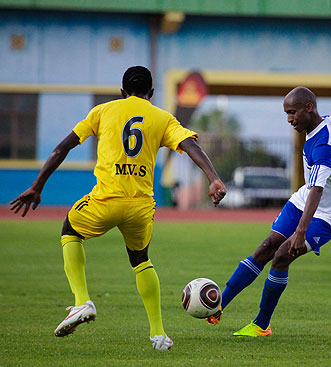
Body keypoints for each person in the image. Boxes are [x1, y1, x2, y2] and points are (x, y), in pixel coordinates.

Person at [10, 66, 226, 350]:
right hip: (140, 207)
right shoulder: (162, 118)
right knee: (140, 260)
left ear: (122, 92)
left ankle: (80, 302)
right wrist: (213, 178)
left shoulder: (102, 111)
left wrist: (38, 185)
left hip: (105, 201)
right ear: (151, 93)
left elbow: (62, 148)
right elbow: (190, 146)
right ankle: (158, 335)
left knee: (70, 231)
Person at [206, 86, 331, 337]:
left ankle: (261, 325)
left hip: (330, 213)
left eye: (292, 113)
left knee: (281, 256)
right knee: (266, 247)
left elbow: (318, 191)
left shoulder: (324, 147)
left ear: (309, 108)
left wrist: (300, 232)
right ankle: (219, 305)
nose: (289, 119)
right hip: (304, 199)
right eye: (286, 113)